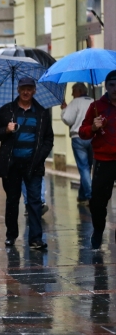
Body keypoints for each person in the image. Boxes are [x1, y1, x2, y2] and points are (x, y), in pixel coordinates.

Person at [0, 77, 53, 250]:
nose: (26, 92)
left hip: (33, 164)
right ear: (18, 90)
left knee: (34, 201)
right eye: (23, 88)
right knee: (12, 200)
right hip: (11, 164)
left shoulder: (41, 112)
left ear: (34, 90)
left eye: (29, 89)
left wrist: (40, 157)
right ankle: (11, 235)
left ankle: (35, 238)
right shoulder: (6, 110)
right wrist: (6, 129)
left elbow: (48, 138)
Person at [79, 70, 116, 249]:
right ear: (106, 86)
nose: (115, 89)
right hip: (103, 160)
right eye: (111, 85)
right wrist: (93, 127)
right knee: (98, 201)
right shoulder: (96, 106)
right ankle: (99, 229)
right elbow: (82, 132)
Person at [61, 82, 94, 205]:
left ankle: (91, 196)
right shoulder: (93, 101)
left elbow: (68, 119)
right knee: (87, 168)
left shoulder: (75, 102)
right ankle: (82, 195)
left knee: (83, 168)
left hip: (78, 137)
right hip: (92, 137)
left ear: (79, 91)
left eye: (73, 91)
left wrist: (64, 109)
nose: (71, 94)